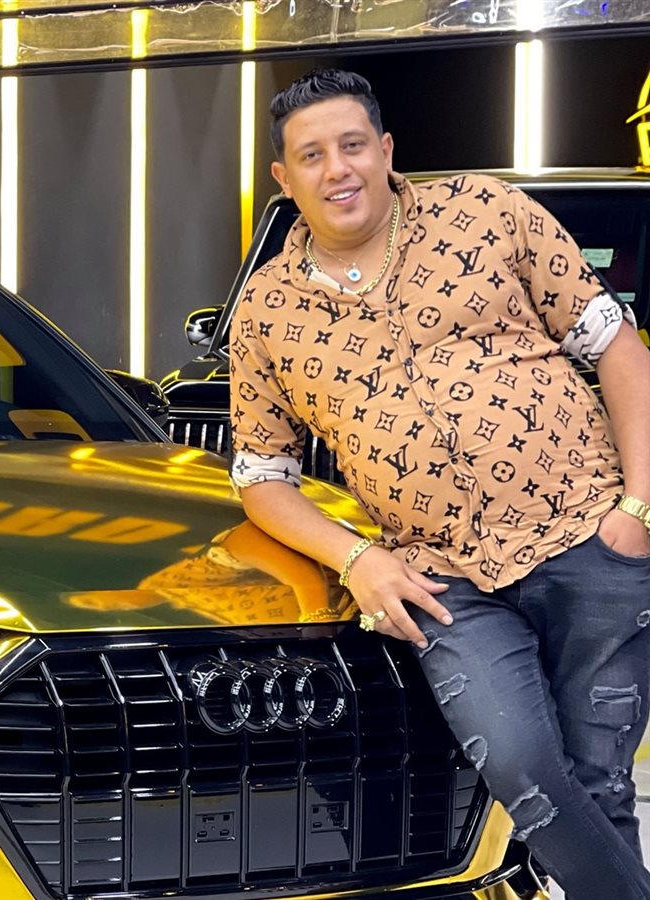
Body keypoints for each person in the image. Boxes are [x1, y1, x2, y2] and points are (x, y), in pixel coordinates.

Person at [229, 68, 650, 896]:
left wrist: (637, 508)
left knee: (598, 783)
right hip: (440, 576)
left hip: (588, 535)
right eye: (312, 155)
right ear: (284, 177)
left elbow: (618, 348)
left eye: (353, 145)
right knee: (524, 768)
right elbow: (262, 478)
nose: (338, 169)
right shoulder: (267, 313)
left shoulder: (486, 211)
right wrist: (357, 560)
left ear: (386, 151)